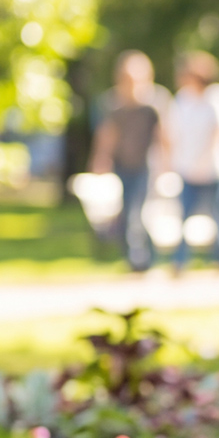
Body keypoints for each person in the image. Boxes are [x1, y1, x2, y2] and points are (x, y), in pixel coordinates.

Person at [88, 50, 167, 272]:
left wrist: (166, 165)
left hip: (146, 166)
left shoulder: (155, 101)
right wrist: (101, 160)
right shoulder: (113, 102)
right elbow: (107, 134)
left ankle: (141, 260)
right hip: (122, 164)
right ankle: (137, 259)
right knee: (125, 214)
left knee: (139, 213)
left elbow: (165, 135)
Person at [167, 52, 219, 271]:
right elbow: (173, 133)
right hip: (188, 169)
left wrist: (205, 158)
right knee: (185, 217)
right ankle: (180, 262)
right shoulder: (182, 99)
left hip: (218, 170)